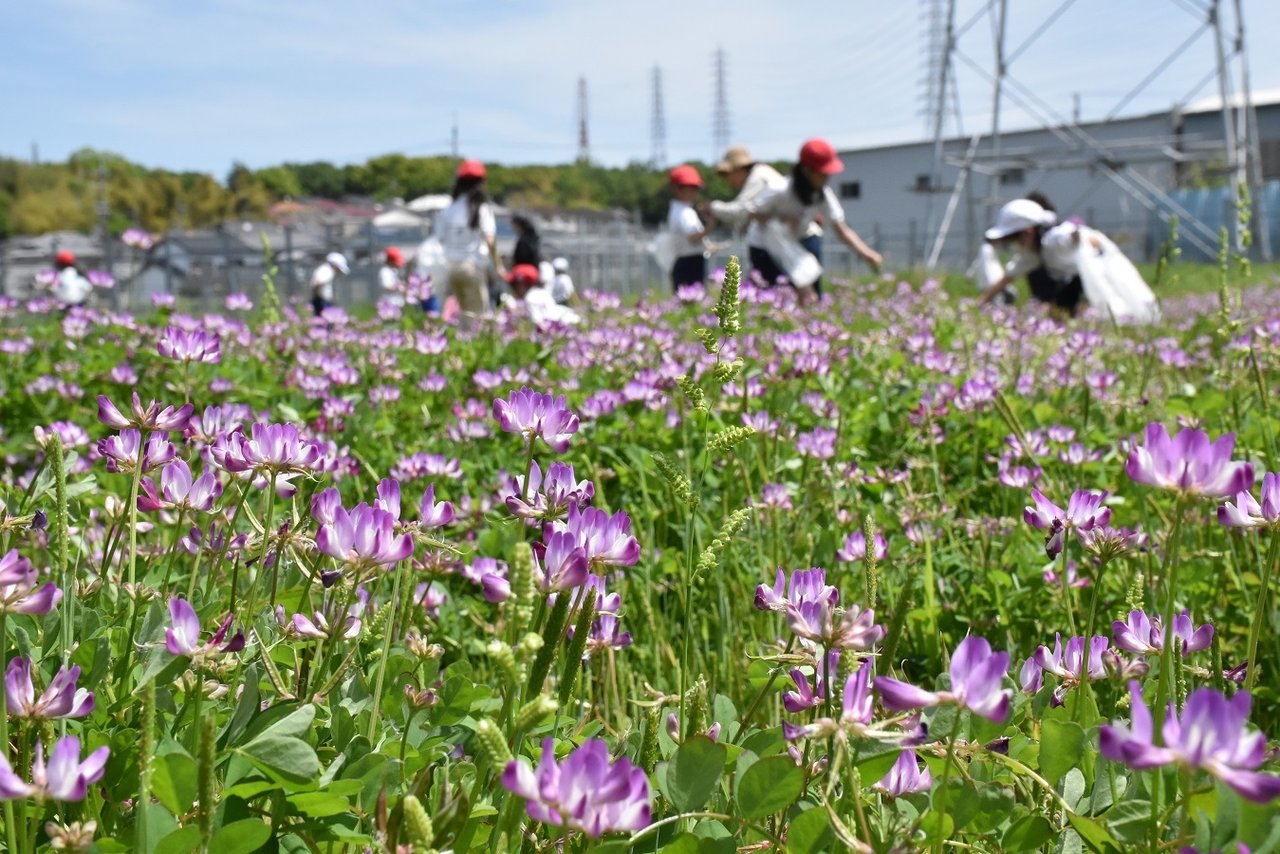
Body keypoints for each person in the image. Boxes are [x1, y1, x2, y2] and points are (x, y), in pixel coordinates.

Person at [750, 138, 882, 304]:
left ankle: (809, 320)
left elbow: (842, 229)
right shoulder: (780, 188)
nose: (827, 177)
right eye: (822, 172)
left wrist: (866, 253)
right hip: (766, 245)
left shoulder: (822, 195)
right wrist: (780, 218)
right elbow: (753, 213)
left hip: (799, 240)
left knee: (811, 291)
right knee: (773, 295)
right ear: (807, 170)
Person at [977, 196, 1087, 316]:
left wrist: (1075, 236)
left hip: (1087, 284)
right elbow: (1007, 277)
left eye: (1014, 239)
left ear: (1028, 232)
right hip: (1071, 287)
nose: (1013, 245)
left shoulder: (1052, 239)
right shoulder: (1032, 254)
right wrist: (983, 300)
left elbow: (1067, 237)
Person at [704, 145, 788, 286]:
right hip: (780, 241)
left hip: (781, 243)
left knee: (770, 288)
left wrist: (712, 207)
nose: (729, 181)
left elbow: (741, 210)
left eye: (728, 175)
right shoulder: (764, 173)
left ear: (739, 169)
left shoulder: (758, 177)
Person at [434, 159, 504, 323]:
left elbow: (440, 240)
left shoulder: (449, 209)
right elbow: (490, 239)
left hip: (451, 268)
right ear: (481, 183)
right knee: (479, 314)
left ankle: (464, 344)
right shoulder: (482, 208)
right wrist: (498, 265)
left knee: (464, 313)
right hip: (472, 267)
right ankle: (476, 346)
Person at [667, 165, 709, 290]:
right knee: (693, 306)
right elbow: (694, 237)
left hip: (684, 262)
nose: (693, 192)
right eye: (689, 188)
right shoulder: (685, 212)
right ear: (677, 189)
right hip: (690, 264)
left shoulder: (677, 209)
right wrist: (711, 225)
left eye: (695, 188)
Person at [501, 263, 580, 326]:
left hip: (567, 326)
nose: (512, 289)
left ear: (521, 285)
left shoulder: (531, 298)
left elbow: (538, 325)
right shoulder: (540, 292)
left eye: (513, 285)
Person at [309, 251, 348, 316]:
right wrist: (318, 297)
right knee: (324, 322)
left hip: (321, 300)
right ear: (335, 265)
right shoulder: (327, 271)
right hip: (322, 301)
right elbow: (318, 282)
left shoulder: (324, 269)